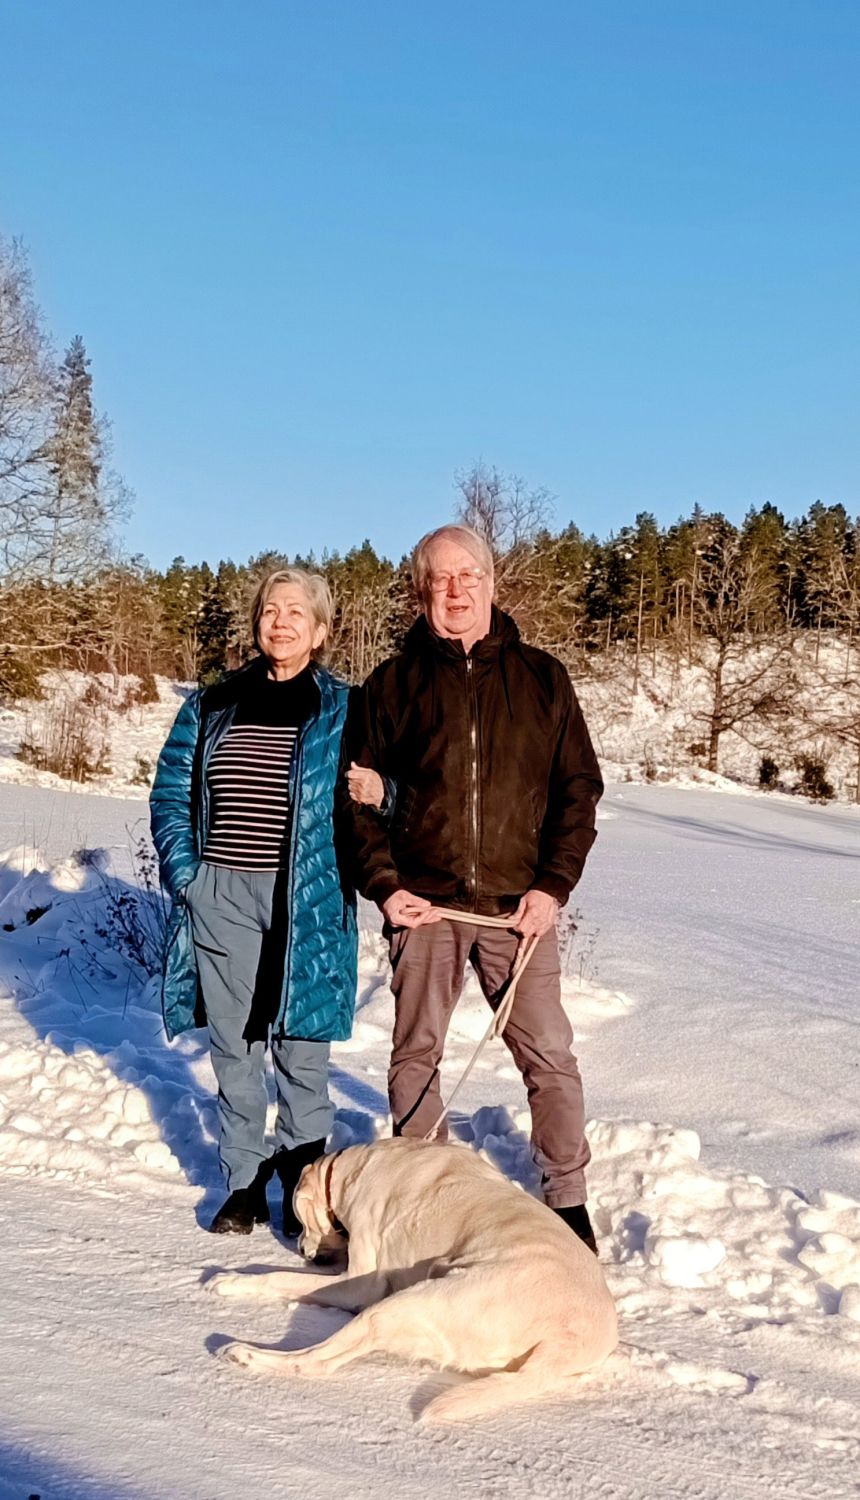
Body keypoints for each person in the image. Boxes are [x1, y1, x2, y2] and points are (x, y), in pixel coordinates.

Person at [341, 524, 604, 1253]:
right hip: (425, 905)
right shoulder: (391, 684)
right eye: (439, 579)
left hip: (518, 911)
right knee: (415, 1053)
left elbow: (578, 791)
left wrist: (553, 887)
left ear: (492, 582)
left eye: (467, 576)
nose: (454, 592)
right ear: (421, 589)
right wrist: (386, 888)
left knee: (548, 1055)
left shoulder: (543, 679)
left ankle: (567, 1200)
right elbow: (353, 802)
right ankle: (428, 1193)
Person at [151, 566, 370, 1234]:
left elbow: (380, 793)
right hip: (222, 893)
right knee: (235, 1046)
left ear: (321, 631)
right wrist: (188, 875)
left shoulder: (343, 709)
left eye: (296, 612)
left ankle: (307, 1191)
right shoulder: (212, 704)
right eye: (270, 610)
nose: (280, 621)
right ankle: (244, 1179)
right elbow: (170, 791)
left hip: (307, 898)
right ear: (256, 624)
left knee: (303, 1048)